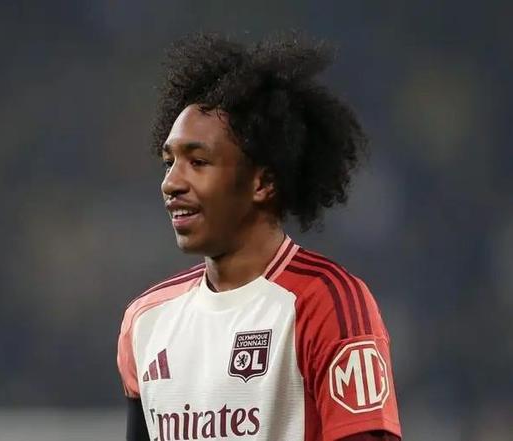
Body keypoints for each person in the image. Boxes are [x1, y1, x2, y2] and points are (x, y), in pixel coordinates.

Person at [117, 32, 402, 441]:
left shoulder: (328, 303)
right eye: (169, 162)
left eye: (198, 162)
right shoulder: (146, 321)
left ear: (263, 183)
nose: (171, 183)